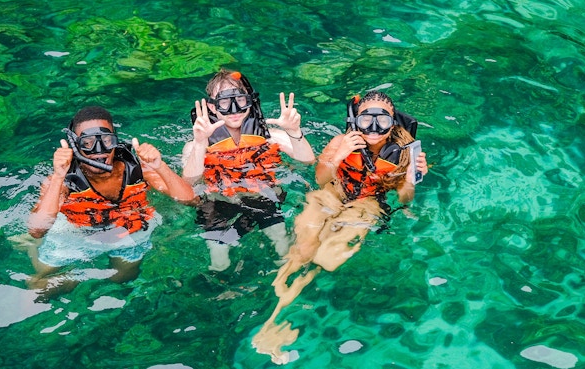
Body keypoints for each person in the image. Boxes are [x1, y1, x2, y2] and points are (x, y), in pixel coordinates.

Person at [252, 90, 429, 364]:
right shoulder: (340, 141)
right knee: (302, 249)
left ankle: (287, 313)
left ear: (393, 124)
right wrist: (338, 155)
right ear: (355, 120)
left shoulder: (404, 154)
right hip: (332, 193)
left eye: (381, 121)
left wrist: (410, 179)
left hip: (367, 203)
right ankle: (273, 317)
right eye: (365, 120)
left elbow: (405, 200)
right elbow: (321, 179)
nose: (372, 128)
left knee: (327, 258)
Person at [27, 106, 195, 298]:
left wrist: (160, 165)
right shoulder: (63, 178)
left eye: (106, 141)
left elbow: (189, 199)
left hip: (128, 229)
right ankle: (63, 272)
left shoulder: (136, 167)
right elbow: (37, 230)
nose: (99, 151)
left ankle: (86, 280)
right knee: (39, 287)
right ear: (75, 146)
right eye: (87, 143)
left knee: (123, 277)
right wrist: (58, 175)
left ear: (115, 140)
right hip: (78, 232)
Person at [182, 69, 316, 271]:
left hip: (262, 199)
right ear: (212, 106)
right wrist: (201, 142)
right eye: (225, 103)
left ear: (250, 101)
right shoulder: (196, 145)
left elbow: (307, 161)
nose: (234, 109)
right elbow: (189, 182)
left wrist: (294, 131)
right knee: (219, 262)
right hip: (218, 203)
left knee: (283, 248)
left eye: (240, 100)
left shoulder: (269, 135)